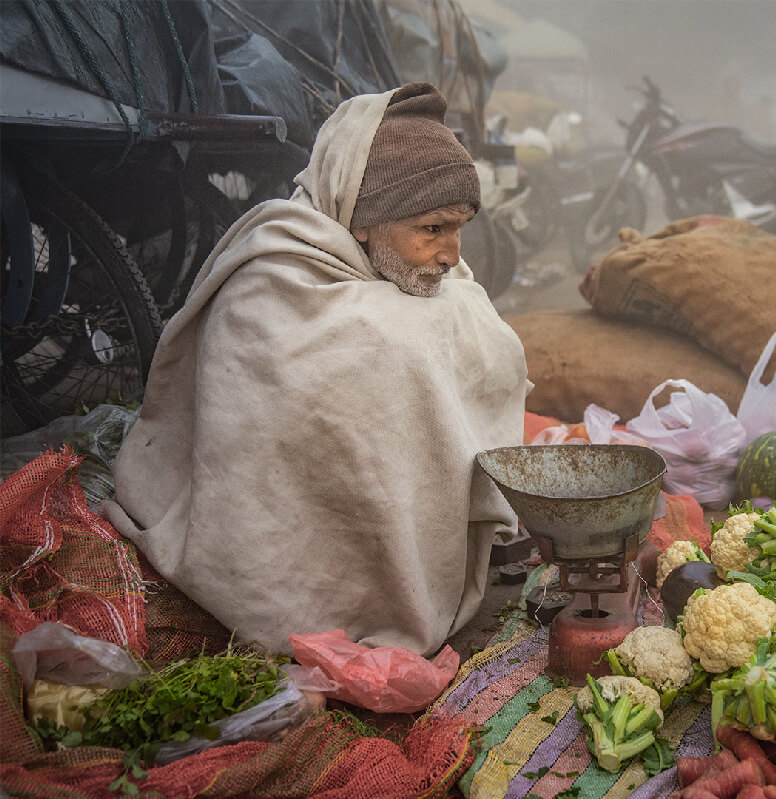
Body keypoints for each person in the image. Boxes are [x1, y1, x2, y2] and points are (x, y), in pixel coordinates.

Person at [102, 83, 530, 658]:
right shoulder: (269, 281)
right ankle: (361, 598)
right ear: (360, 220)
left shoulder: (416, 262)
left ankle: (430, 557)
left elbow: (478, 336)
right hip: (276, 558)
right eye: (433, 229)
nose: (452, 254)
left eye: (460, 227)